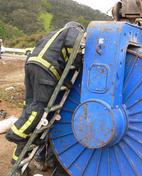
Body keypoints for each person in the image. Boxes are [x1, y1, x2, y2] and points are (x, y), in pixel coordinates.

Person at [5, 21, 85, 167]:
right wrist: (80, 61)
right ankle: (15, 134)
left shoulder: (52, 35)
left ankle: (17, 162)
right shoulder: (74, 31)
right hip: (45, 71)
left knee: (29, 106)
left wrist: (65, 81)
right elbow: (75, 46)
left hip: (31, 66)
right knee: (39, 107)